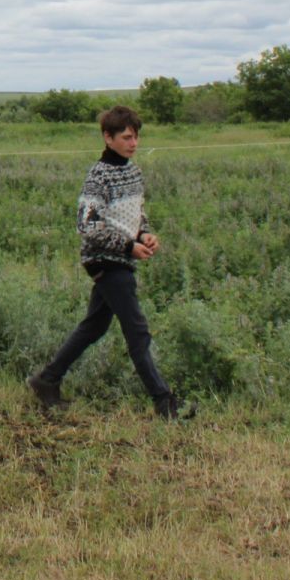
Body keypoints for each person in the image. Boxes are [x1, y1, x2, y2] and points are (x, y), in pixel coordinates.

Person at [27, 105, 185, 419]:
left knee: (95, 326)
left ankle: (47, 380)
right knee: (137, 331)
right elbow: (87, 225)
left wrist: (146, 234)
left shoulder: (132, 170)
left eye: (136, 137)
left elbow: (135, 214)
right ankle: (164, 403)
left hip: (121, 258)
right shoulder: (98, 176)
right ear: (108, 137)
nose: (134, 143)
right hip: (104, 260)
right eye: (126, 137)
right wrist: (129, 247)